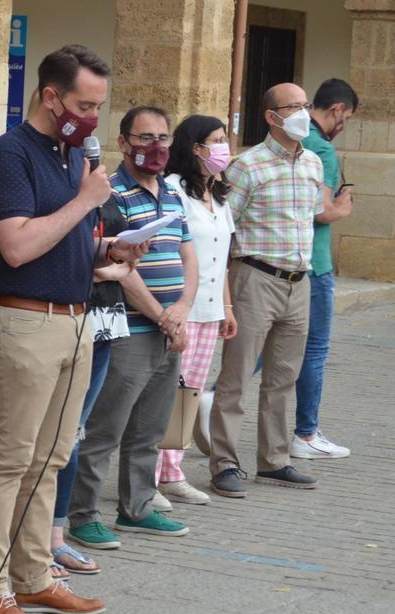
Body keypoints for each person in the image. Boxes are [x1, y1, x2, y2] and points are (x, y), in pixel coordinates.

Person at [0, 44, 146, 614]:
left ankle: (34, 577)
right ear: (50, 95)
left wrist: (110, 249)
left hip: (75, 320)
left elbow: (64, 239)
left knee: (50, 460)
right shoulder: (8, 155)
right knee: (10, 461)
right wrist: (83, 203)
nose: (93, 118)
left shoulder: (74, 157)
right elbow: (16, 246)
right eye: (83, 104)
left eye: (99, 105)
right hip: (21, 322)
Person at [67, 105, 196, 549]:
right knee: (106, 429)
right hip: (130, 330)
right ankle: (82, 516)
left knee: (150, 430)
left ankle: (137, 508)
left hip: (169, 328)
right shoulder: (111, 193)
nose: (156, 147)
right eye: (145, 139)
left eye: (163, 138)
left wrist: (182, 308)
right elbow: (123, 266)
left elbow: (187, 255)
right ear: (122, 143)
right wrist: (161, 315)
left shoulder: (173, 193)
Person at [208, 82, 326, 498]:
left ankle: (274, 460)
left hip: (299, 281)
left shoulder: (313, 162)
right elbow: (224, 228)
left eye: (305, 105)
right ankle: (224, 463)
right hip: (255, 278)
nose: (303, 114)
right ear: (272, 117)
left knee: (283, 377)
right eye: (292, 107)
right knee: (236, 376)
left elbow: (310, 217)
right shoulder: (247, 166)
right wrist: (223, 295)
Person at [154, 115, 239, 505]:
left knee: (189, 393)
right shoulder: (172, 190)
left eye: (225, 139)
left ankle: (173, 471)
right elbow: (170, 251)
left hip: (209, 311)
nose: (224, 147)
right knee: (167, 393)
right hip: (180, 307)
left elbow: (220, 257)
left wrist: (227, 307)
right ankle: (149, 474)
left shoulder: (218, 194)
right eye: (216, 141)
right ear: (195, 148)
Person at [48, 197, 133, 579]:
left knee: (73, 434)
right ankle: (29, 540)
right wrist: (105, 272)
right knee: (47, 438)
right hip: (61, 315)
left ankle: (54, 537)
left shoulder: (104, 193)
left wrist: (120, 261)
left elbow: (119, 258)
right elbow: (56, 254)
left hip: (103, 320)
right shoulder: (54, 186)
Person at [290, 78, 357, 460]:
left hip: (286, 259)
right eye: (346, 117)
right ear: (338, 110)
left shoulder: (297, 142)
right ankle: (306, 433)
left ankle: (214, 395)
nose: (343, 123)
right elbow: (322, 210)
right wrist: (344, 207)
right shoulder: (324, 151)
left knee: (279, 341)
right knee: (314, 347)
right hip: (315, 262)